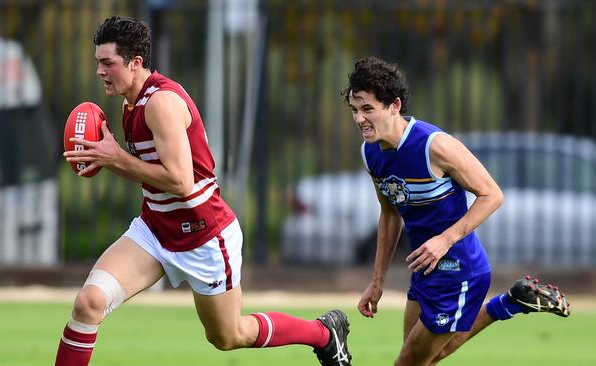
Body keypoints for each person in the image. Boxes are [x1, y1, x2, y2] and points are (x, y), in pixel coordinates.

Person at [56, 16, 351, 366]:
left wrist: (116, 157)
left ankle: (322, 334)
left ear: (135, 63)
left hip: (203, 235)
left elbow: (181, 181)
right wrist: (109, 160)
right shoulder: (130, 102)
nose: (100, 72)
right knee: (88, 303)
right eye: (98, 63)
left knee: (229, 337)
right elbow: (152, 176)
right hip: (155, 229)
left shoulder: (161, 104)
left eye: (108, 63)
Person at [345, 57, 570, 366]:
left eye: (368, 109)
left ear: (395, 106)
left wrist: (445, 239)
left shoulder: (434, 146)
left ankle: (507, 303)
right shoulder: (370, 152)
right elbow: (389, 214)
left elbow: (492, 194)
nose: (359, 119)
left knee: (408, 362)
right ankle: (511, 302)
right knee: (426, 358)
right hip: (424, 268)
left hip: (458, 270)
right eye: (355, 110)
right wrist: (377, 279)